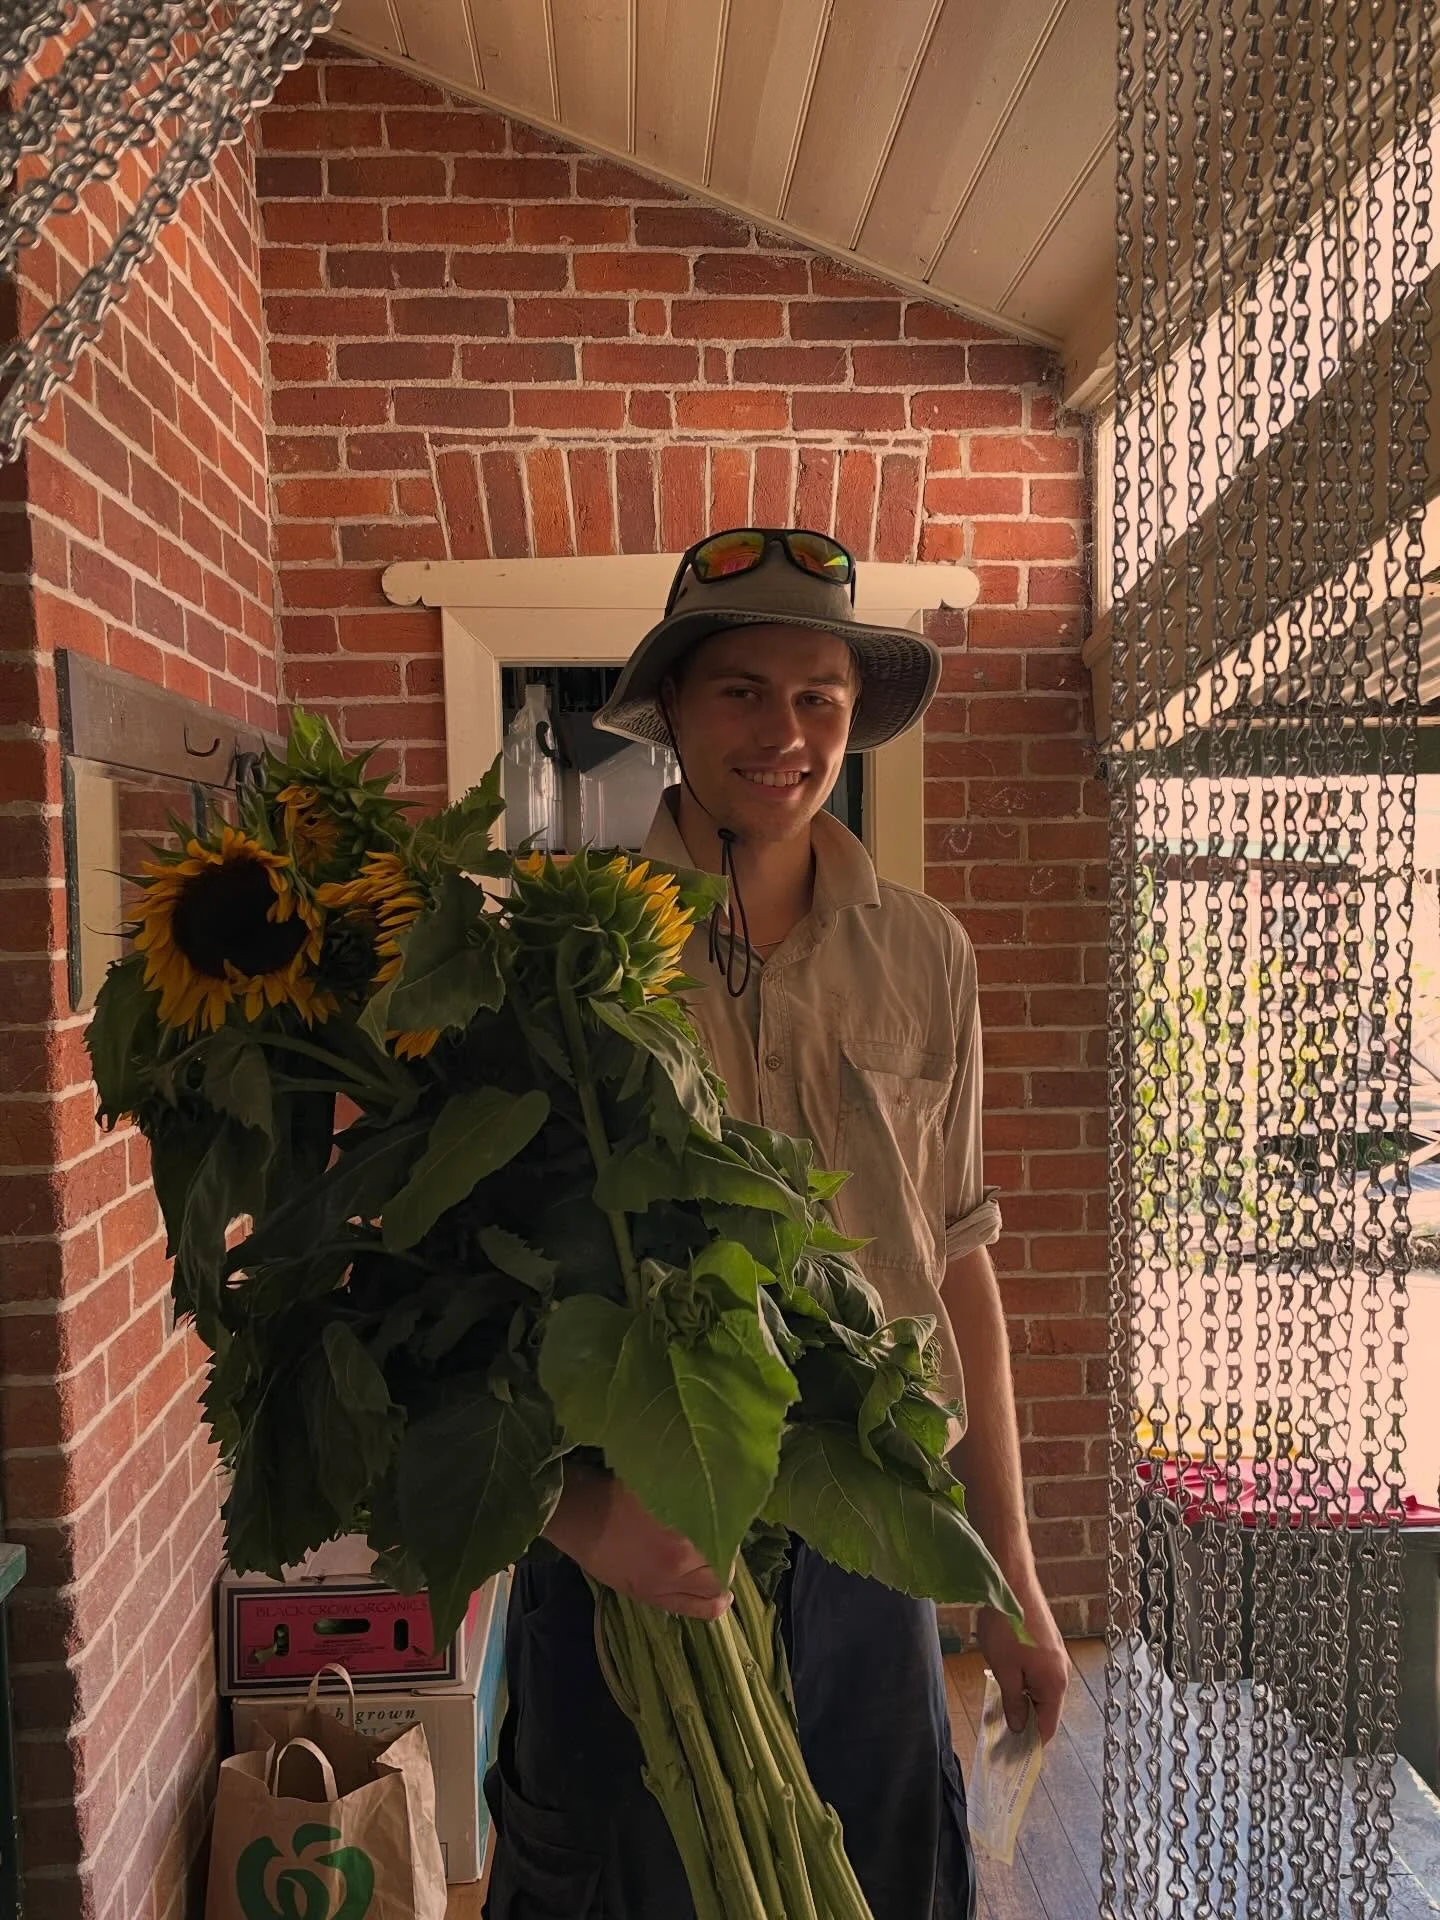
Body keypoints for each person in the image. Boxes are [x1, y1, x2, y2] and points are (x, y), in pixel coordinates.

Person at [484, 526, 1070, 1920]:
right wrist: (585, 1520)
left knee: (873, 1883)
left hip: (870, 1538)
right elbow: (471, 1308)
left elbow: (958, 1267)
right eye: (743, 690)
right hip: (636, 1561)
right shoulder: (561, 953)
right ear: (674, 710)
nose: (786, 731)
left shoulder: (928, 953)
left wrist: (1007, 1576)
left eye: (820, 696)